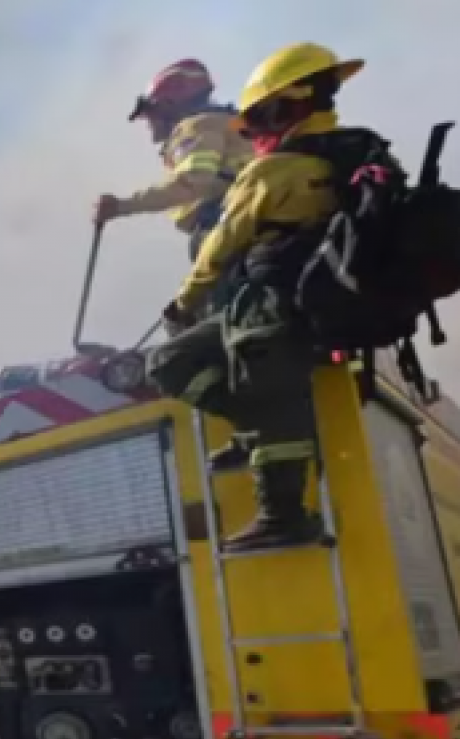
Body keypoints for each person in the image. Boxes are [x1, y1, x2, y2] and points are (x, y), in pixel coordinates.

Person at [146, 43, 384, 553]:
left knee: (235, 382)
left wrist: (182, 305)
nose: (251, 131)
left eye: (257, 118)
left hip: (276, 301)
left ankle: (282, 513)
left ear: (281, 107)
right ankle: (260, 435)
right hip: (333, 293)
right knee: (216, 373)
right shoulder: (363, 150)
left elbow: (221, 245)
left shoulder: (273, 170)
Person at [95, 58, 254, 281]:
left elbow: (191, 184)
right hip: (250, 215)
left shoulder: (196, 127)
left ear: (169, 105)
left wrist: (121, 206)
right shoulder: (231, 122)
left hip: (226, 224)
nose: (149, 124)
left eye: (151, 113)